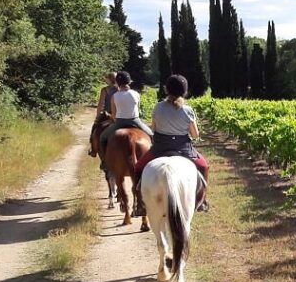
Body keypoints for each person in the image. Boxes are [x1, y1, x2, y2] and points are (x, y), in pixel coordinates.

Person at [133, 74, 209, 215]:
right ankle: (202, 201)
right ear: (184, 91)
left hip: (160, 148)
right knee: (204, 166)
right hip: (183, 148)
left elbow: (154, 129)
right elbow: (195, 135)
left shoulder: (158, 107)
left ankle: (140, 204)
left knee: (138, 168)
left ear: (167, 90)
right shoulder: (187, 110)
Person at [99, 71, 153, 159]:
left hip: (119, 122)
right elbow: (138, 110)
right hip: (135, 121)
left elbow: (114, 114)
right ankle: (152, 158)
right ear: (129, 82)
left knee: (102, 137)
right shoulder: (136, 94)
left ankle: (104, 161)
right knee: (151, 135)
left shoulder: (115, 96)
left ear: (117, 83)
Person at [88, 72, 118, 156]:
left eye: (106, 79)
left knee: (95, 128)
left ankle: (93, 150)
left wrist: (98, 116)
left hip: (108, 115)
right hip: (120, 115)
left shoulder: (105, 90)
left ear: (109, 79)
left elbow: (101, 104)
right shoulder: (121, 89)